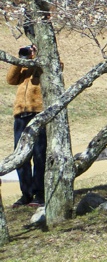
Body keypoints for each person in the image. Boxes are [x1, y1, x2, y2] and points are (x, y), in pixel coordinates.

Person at [7, 45, 45, 208]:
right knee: (20, 156)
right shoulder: (24, 65)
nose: (30, 52)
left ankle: (40, 193)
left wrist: (38, 57)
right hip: (20, 114)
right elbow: (10, 79)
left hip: (38, 112)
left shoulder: (46, 60)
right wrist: (21, 59)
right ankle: (26, 194)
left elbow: (59, 67)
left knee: (39, 154)